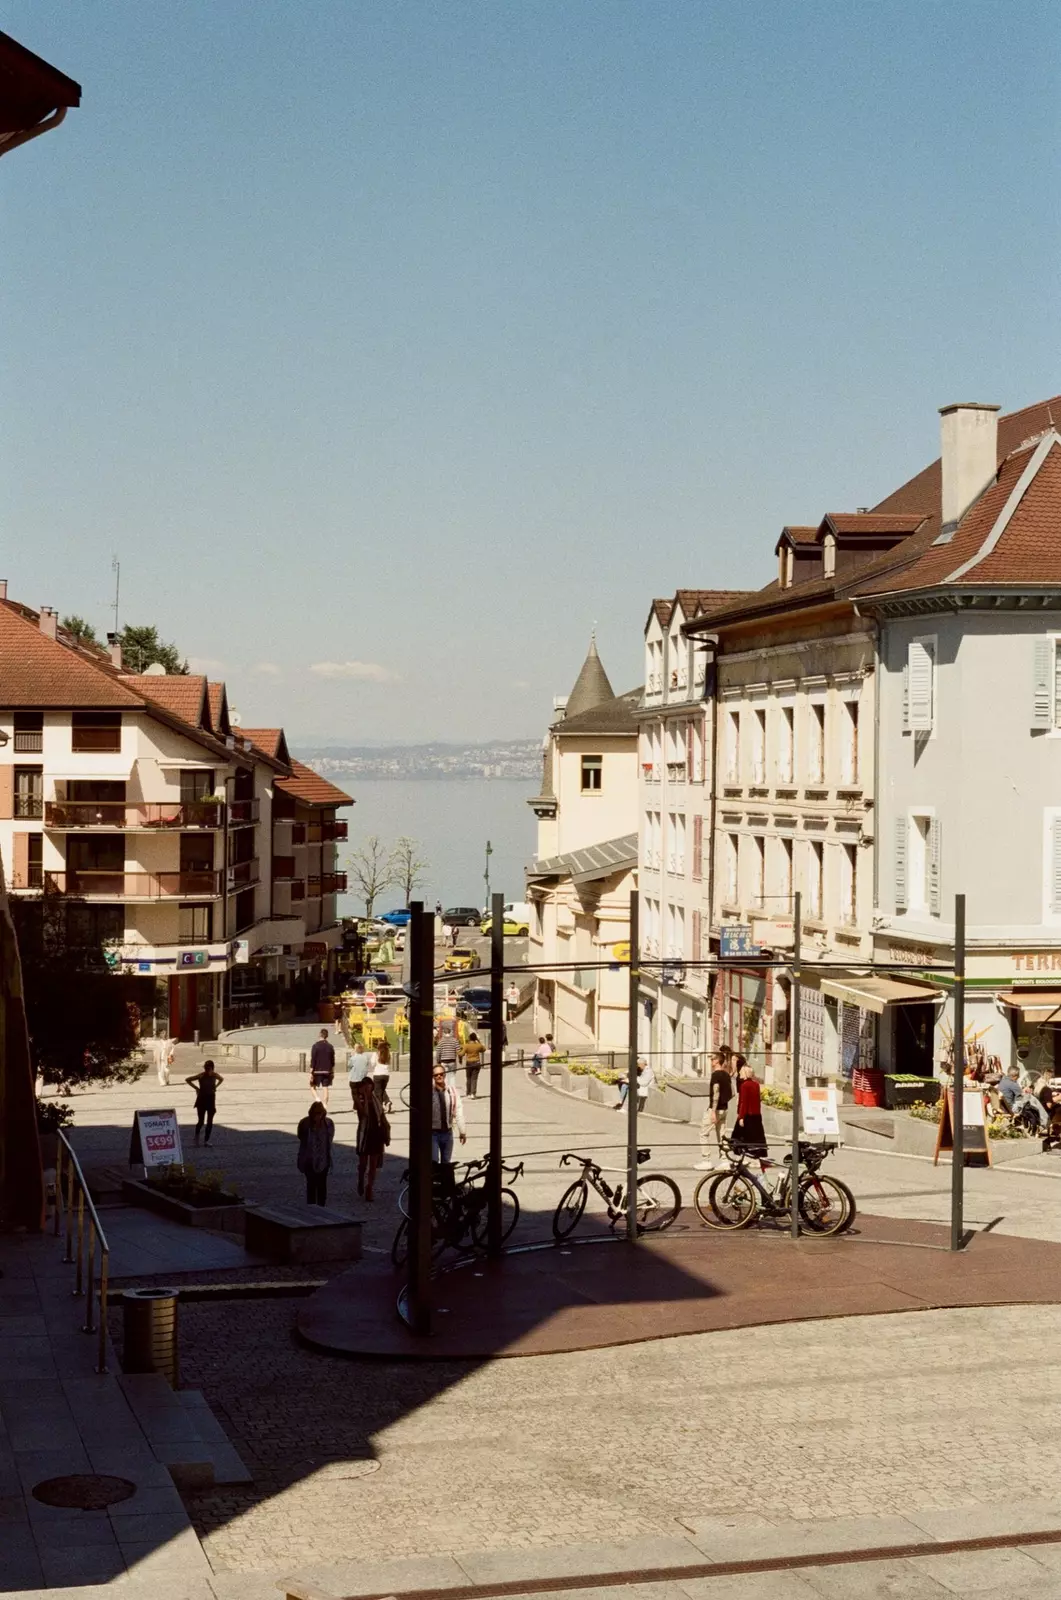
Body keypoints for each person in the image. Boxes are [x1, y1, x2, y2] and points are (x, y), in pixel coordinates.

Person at [696, 1046, 735, 1169]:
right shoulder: (726, 1075)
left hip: (716, 1109)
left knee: (703, 1133)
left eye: (712, 1059)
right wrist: (724, 1101)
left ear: (717, 1061)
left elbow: (716, 1092)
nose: (711, 1061)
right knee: (722, 1134)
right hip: (725, 1108)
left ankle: (706, 1160)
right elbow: (733, 1092)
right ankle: (724, 1161)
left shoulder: (716, 1075)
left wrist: (713, 1111)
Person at [354, 1077, 390, 1200]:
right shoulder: (359, 1099)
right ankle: (360, 1180)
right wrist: (363, 1096)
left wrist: (387, 1132)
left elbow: (382, 1116)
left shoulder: (376, 1099)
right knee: (363, 1163)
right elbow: (363, 1114)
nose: (368, 1088)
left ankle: (369, 1187)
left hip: (376, 1133)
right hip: (365, 1133)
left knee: (373, 1164)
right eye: (366, 1086)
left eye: (370, 1086)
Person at [296, 1100, 334, 1206]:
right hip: (309, 1160)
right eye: (315, 1114)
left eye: (320, 1114)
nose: (317, 1117)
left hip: (323, 1160)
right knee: (311, 1185)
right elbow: (300, 1137)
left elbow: (329, 1140)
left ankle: (322, 1207)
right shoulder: (305, 1123)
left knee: (322, 1186)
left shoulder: (328, 1123)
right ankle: (312, 1208)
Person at [731, 1057, 768, 1159]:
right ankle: (757, 1155)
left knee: (740, 1137)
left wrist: (741, 1117)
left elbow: (744, 1102)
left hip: (747, 1115)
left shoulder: (744, 1085)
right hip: (756, 1115)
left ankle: (743, 1156)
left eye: (742, 1072)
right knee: (756, 1137)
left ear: (746, 1073)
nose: (740, 1074)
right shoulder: (756, 1084)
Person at [431, 1063, 466, 1164]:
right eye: (436, 1075)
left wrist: (462, 1131)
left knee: (446, 1162)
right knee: (434, 1162)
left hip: (447, 1133)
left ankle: (444, 1180)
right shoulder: (429, 1092)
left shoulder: (452, 1091)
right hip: (433, 1133)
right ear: (433, 1077)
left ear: (445, 1075)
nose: (439, 1076)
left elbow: (459, 1111)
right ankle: (434, 1180)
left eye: (441, 1074)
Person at [186, 1059, 223, 1147]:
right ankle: (196, 1138)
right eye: (206, 1068)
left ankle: (206, 1140)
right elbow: (188, 1079)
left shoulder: (215, 1075)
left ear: (212, 1068)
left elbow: (221, 1079)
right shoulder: (201, 1075)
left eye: (209, 1068)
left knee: (210, 1122)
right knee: (201, 1121)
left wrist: (215, 1087)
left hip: (211, 1100)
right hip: (202, 1099)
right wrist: (196, 1088)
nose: (207, 1070)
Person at [309, 1029, 335, 1108]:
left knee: (312, 1086)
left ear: (320, 1035)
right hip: (327, 1070)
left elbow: (313, 1059)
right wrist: (332, 1071)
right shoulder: (330, 1046)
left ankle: (317, 1099)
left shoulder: (315, 1046)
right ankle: (325, 1105)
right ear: (327, 1036)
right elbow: (332, 1060)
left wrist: (311, 1070)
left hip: (317, 1070)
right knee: (325, 1087)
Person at [436, 1017, 461, 1086]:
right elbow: (458, 1051)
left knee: (445, 1076)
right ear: (450, 1032)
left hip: (443, 1061)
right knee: (452, 1076)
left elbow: (438, 1052)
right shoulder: (454, 1040)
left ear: (444, 1033)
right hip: (452, 1061)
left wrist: (438, 1061)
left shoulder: (441, 1041)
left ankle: (446, 1089)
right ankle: (452, 1089)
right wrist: (460, 1059)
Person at [463, 1031, 486, 1097]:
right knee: (474, 1079)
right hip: (476, 1062)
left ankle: (468, 1093)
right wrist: (478, 1041)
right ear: (475, 1038)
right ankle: (473, 1093)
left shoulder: (466, 1045)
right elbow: (484, 1049)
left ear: (469, 1038)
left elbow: (462, 1053)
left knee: (468, 1078)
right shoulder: (478, 1045)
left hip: (469, 1063)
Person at [373, 1037, 393, 1109]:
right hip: (386, 1075)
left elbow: (372, 1063)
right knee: (382, 1090)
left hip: (377, 1074)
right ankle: (387, 1102)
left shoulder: (376, 1054)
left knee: (377, 1092)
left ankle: (379, 1107)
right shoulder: (388, 1054)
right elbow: (389, 1063)